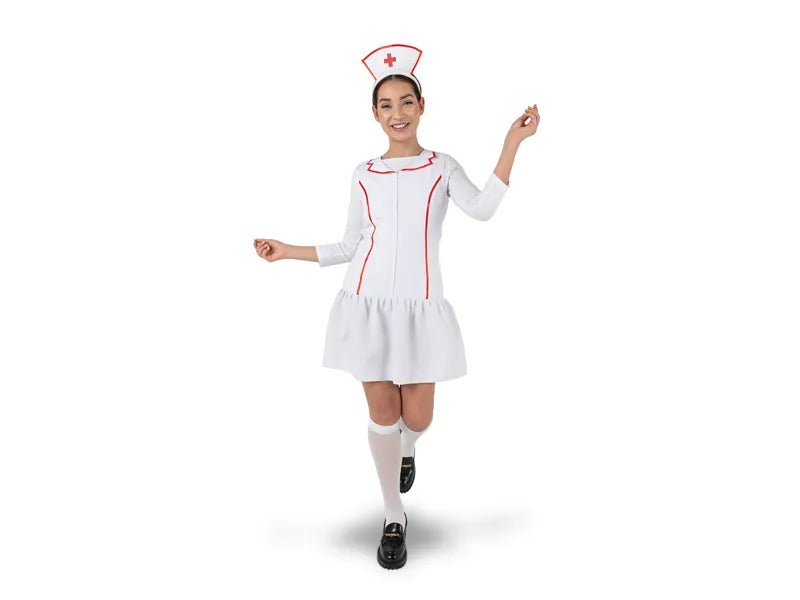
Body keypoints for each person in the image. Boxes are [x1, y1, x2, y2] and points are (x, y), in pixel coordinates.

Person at [254, 43, 540, 569]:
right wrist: (287, 250)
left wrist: (511, 144)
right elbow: (350, 245)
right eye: (386, 105)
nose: (397, 113)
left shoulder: (441, 166)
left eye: (406, 102)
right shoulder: (364, 173)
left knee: (418, 417)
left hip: (420, 308)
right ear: (374, 113)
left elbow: (482, 208)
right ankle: (393, 514)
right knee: (382, 413)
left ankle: (407, 448)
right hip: (366, 305)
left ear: (422, 106)